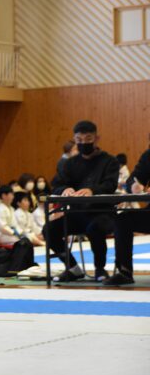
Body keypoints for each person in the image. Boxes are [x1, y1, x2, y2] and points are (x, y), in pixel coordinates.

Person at [45, 120, 118, 282]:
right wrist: (64, 189)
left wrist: (92, 190)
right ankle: (72, 267)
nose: (84, 143)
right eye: (79, 140)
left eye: (88, 138)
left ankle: (100, 268)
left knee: (95, 228)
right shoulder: (70, 163)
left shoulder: (109, 161)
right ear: (74, 139)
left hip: (103, 213)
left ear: (97, 139)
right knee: (49, 230)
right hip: (77, 212)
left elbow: (110, 184)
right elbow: (56, 184)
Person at [103, 147, 150, 286]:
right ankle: (124, 271)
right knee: (123, 218)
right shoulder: (148, 156)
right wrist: (135, 185)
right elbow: (132, 180)